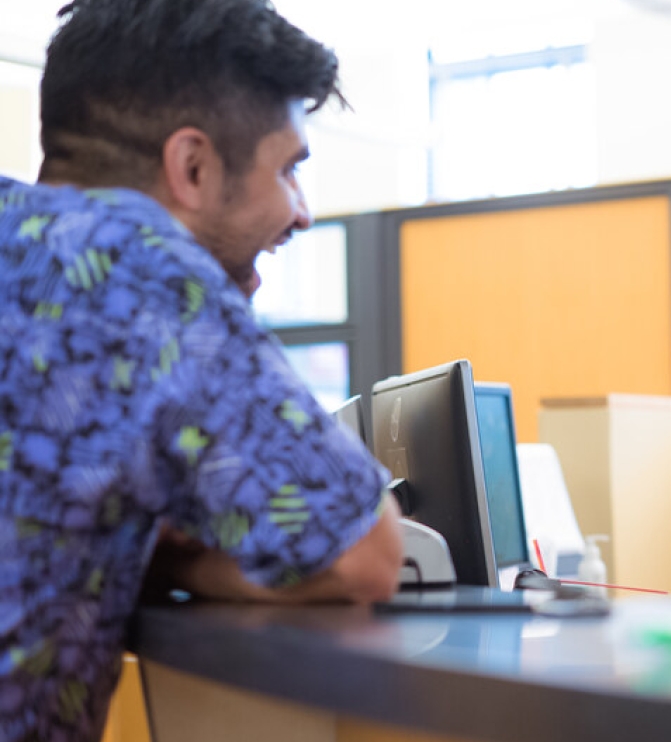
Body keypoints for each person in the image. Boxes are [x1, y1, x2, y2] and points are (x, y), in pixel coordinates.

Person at [0, 1, 403, 739]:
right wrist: (167, 565)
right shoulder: (140, 271)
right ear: (192, 166)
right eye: (288, 170)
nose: (302, 212)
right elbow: (364, 558)